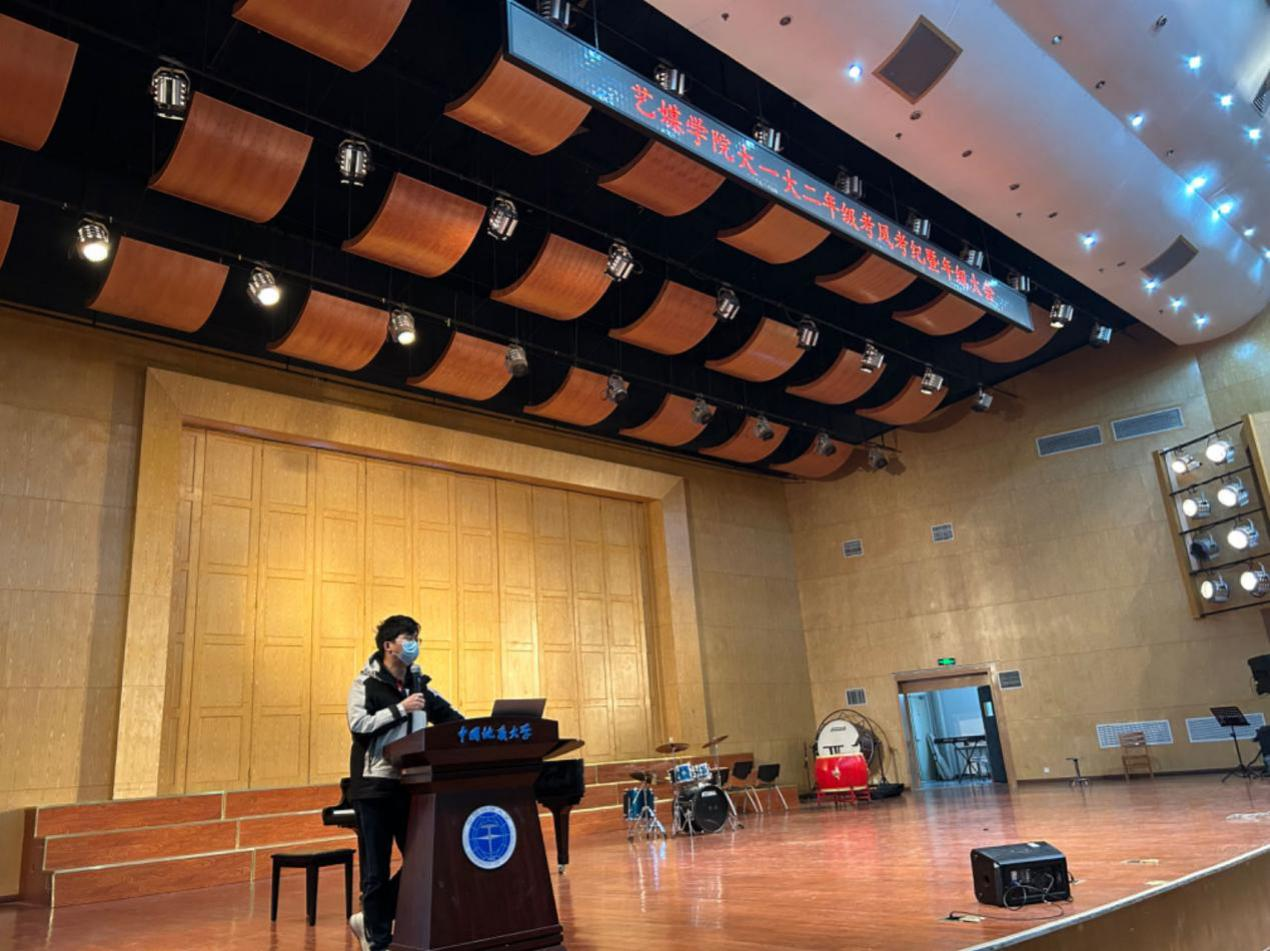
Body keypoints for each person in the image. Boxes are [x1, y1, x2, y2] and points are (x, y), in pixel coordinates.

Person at [346, 615, 463, 951]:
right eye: (408, 638)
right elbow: (359, 725)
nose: (414, 644)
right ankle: (379, 940)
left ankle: (372, 917)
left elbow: (451, 717)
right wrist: (400, 709)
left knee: (424, 860)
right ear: (388, 645)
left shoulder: (418, 683)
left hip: (412, 784)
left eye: (416, 638)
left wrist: (477, 733)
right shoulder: (365, 683)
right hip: (375, 786)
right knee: (376, 869)